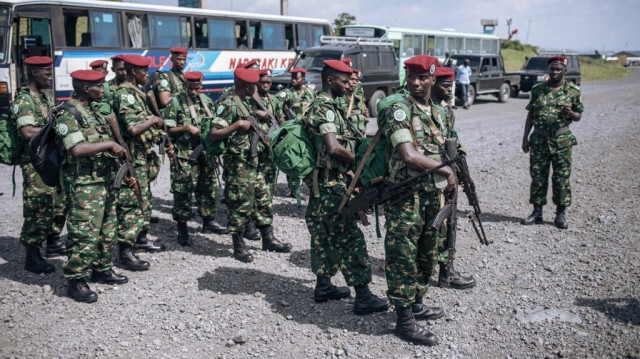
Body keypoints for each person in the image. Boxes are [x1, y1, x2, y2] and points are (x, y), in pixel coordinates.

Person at [380, 55, 458, 346]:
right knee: (402, 257)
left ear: (433, 79)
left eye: (421, 77)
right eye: (410, 76)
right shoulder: (399, 109)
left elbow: (450, 147)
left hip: (431, 195)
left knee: (428, 252)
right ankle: (404, 320)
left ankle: (416, 303)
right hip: (406, 196)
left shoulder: (438, 111)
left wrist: (453, 175)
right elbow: (408, 155)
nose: (414, 82)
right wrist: (446, 170)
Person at [302, 59, 389, 315]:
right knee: (350, 238)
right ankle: (363, 296)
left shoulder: (330, 106)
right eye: (343, 80)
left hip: (324, 183)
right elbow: (333, 147)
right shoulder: (325, 108)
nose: (347, 84)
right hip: (330, 186)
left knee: (322, 235)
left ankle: (324, 286)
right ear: (330, 80)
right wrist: (361, 161)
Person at [55, 69, 130, 303]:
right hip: (84, 184)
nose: (103, 89)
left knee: (108, 228)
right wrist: (108, 144)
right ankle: (75, 279)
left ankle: (102, 268)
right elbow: (76, 149)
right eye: (99, 86)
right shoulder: (67, 115)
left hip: (104, 180)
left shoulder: (95, 112)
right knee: (84, 232)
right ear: (86, 89)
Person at [207, 68, 292, 263]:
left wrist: (257, 115)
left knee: (263, 199)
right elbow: (214, 133)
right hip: (238, 165)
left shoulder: (246, 103)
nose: (256, 87)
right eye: (253, 84)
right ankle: (238, 246)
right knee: (239, 204)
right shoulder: (228, 104)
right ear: (247, 85)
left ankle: (268, 238)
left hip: (254, 163)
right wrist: (236, 125)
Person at [113, 54, 173, 270]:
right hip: (131, 157)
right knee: (131, 203)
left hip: (141, 155)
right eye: (142, 71)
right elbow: (133, 128)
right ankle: (125, 253)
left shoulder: (137, 92)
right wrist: (154, 119)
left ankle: (139, 239)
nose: (146, 74)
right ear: (132, 72)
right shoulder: (125, 94)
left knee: (143, 199)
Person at [10, 56, 68, 274]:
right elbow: (27, 132)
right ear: (34, 73)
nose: (50, 78)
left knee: (59, 202)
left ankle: (52, 242)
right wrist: (57, 129)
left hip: (49, 160)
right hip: (35, 163)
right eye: (47, 73)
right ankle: (32, 255)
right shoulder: (24, 101)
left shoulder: (44, 99)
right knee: (38, 206)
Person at [163, 71, 227, 246]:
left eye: (197, 88)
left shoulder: (206, 101)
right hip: (185, 155)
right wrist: (185, 128)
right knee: (183, 191)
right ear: (185, 85)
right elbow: (167, 130)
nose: (194, 91)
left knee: (208, 188)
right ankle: (182, 228)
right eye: (190, 88)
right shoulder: (175, 103)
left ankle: (208, 221)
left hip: (205, 153)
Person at [521, 55, 583, 229]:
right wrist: (525, 137)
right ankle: (537, 212)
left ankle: (560, 214)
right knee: (538, 177)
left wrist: (571, 114)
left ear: (565, 71)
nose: (555, 72)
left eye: (558, 69)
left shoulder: (572, 91)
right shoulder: (538, 89)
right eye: (552, 69)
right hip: (539, 140)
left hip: (561, 141)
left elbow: (578, 116)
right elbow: (531, 114)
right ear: (548, 70)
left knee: (561, 178)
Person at [429, 66, 476, 289]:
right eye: (445, 85)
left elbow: (452, 140)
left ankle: (446, 271)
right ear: (433, 83)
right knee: (435, 224)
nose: (450, 89)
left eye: (451, 85)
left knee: (449, 222)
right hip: (430, 173)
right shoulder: (424, 109)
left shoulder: (447, 110)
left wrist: (461, 167)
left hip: (446, 172)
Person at [277, 67, 316, 196]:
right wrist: (282, 121)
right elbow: (276, 102)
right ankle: (293, 188)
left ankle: (311, 185)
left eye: (297, 78)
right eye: (292, 78)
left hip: (308, 130)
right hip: (294, 131)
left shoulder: (310, 93)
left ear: (303, 79)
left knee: (309, 157)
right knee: (293, 156)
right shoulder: (288, 93)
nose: (294, 80)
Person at [336, 59, 369, 135]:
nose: (354, 82)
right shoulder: (338, 96)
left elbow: (363, 108)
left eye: (356, 80)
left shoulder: (358, 95)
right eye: (351, 79)